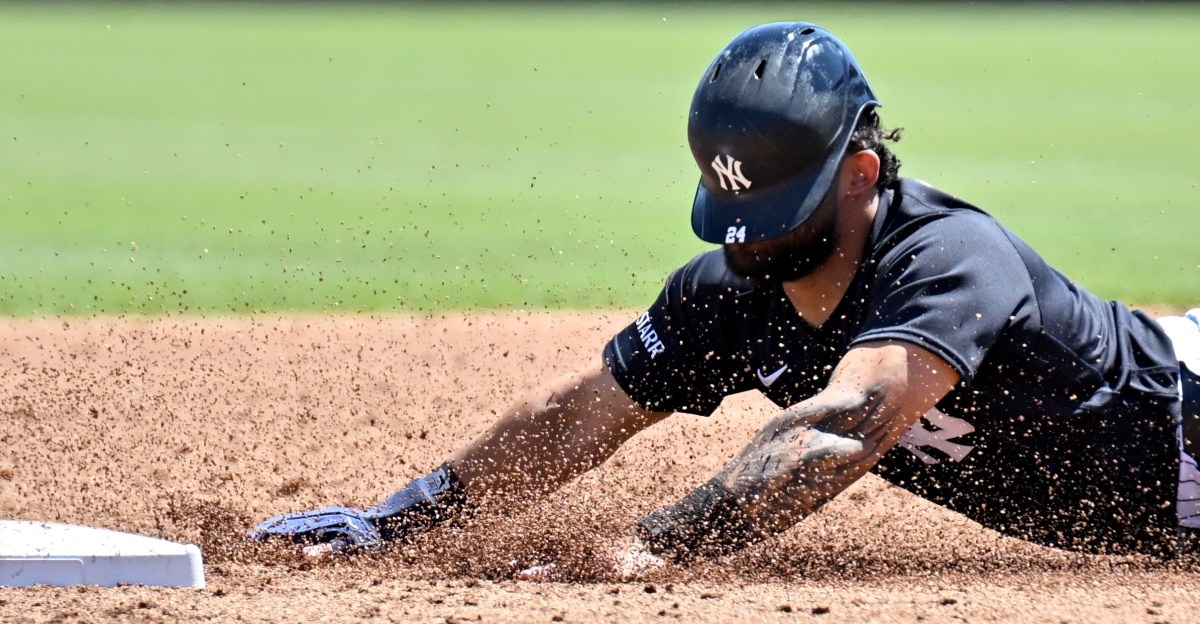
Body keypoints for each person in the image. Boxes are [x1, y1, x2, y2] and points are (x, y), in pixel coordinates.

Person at [251, 22, 1200, 576]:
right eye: (734, 213)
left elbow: (845, 425)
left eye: (777, 211)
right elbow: (580, 416)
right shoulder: (735, 289)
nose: (747, 243)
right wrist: (398, 520)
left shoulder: (949, 259)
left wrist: (656, 546)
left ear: (861, 173)